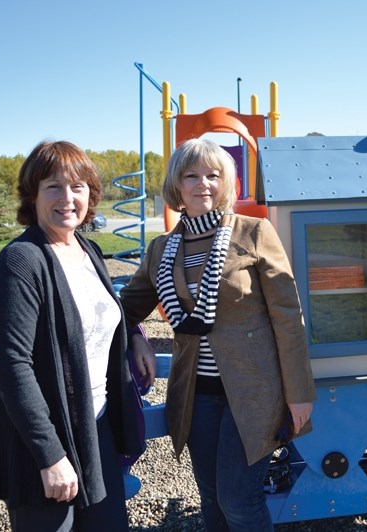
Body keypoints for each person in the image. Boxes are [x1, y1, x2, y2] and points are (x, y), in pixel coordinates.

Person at [119, 138, 316, 532]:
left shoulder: (254, 231)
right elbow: (122, 310)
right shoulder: (161, 249)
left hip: (255, 392)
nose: (203, 184)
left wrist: (299, 394)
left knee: (239, 501)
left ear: (228, 183)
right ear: (177, 185)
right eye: (191, 175)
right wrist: (134, 336)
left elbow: (288, 318)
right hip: (197, 395)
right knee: (211, 498)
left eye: (213, 175)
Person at [0, 140, 155, 531]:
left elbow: (100, 313)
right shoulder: (21, 262)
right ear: (33, 194)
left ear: (91, 194)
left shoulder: (87, 251)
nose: (67, 197)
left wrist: (134, 337)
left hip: (94, 426)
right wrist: (50, 456)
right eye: (53, 186)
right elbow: (12, 367)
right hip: (42, 438)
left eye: (78, 186)